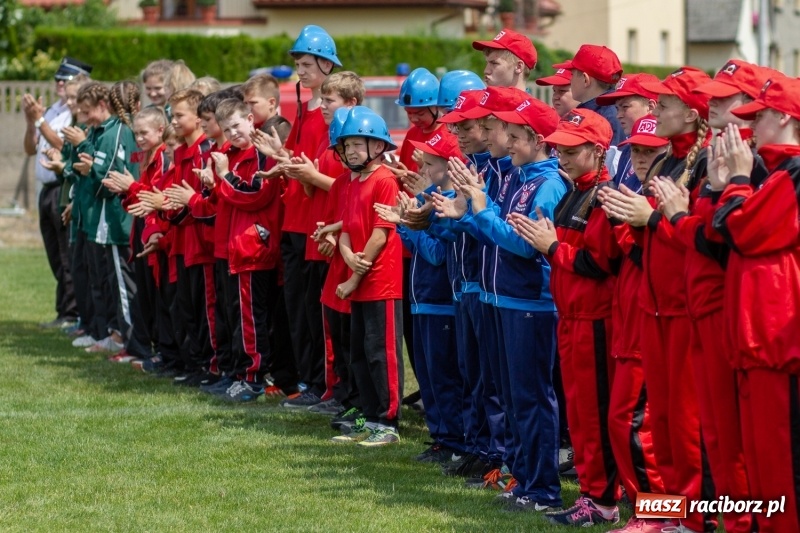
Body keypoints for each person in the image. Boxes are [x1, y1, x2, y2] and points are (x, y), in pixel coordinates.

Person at [599, 66, 716, 533]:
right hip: (654, 307)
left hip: (686, 309)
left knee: (684, 425)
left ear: (690, 115)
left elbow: (700, 237)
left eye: (664, 106)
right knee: (662, 424)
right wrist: (633, 224)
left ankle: (692, 520)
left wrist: (649, 220)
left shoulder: (704, 163)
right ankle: (665, 516)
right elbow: (647, 240)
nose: (656, 111)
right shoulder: (670, 161)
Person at [434, 96, 565, 512]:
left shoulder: (547, 183)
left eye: (514, 134)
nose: (506, 140)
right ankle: (523, 478)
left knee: (530, 399)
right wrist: (466, 213)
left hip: (529, 303)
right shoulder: (518, 176)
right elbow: (494, 230)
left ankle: (543, 489)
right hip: (501, 299)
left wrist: (479, 208)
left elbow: (524, 246)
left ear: (538, 139)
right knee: (511, 398)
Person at [509, 109, 622, 527]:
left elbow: (601, 263)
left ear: (596, 151)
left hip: (595, 319)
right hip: (571, 315)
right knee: (580, 413)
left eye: (572, 150)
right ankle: (595, 494)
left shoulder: (603, 197)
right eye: (559, 148)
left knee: (594, 413)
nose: (562, 156)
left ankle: (602, 499)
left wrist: (553, 248)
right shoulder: (575, 189)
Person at [711, 74, 800, 533]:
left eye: (760, 115)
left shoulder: (793, 173)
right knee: (761, 469)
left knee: (782, 475)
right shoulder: (777, 173)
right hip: (754, 344)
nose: (751, 127)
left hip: (778, 349)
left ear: (785, 116)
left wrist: (736, 180)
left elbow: (740, 229)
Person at [375, 132, 465, 460]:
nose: (422, 170)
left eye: (429, 164)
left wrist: (406, 225)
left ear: (450, 167)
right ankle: (442, 438)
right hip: (424, 299)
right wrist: (407, 222)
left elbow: (438, 255)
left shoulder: (449, 201)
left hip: (441, 301)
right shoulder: (432, 196)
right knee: (428, 378)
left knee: (444, 378)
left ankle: (454, 442)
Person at [282, 71, 365, 412]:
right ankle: (329, 389)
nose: (323, 106)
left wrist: (311, 176)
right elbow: (315, 188)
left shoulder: (354, 142)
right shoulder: (331, 137)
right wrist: (303, 175)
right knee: (323, 323)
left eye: (330, 101)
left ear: (351, 103)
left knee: (340, 329)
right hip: (324, 239)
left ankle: (341, 394)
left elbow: (352, 191)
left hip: (339, 243)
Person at [330, 107, 404, 447]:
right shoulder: (350, 182)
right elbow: (346, 228)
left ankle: (387, 421)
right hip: (357, 278)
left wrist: (355, 275)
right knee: (360, 351)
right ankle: (369, 416)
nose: (351, 152)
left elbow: (381, 233)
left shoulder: (385, 179)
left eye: (359, 144)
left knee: (381, 351)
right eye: (347, 146)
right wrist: (348, 258)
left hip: (381, 281)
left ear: (378, 146)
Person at [280, 25, 340, 407]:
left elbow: (325, 173)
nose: (300, 71)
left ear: (326, 64)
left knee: (319, 313)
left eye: (306, 63)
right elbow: (295, 159)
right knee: (299, 310)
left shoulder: (331, 117)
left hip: (316, 225)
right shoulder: (303, 111)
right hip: (294, 221)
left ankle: (321, 383)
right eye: (298, 64)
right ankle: (309, 380)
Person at [23, 57, 92, 330]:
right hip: (46, 188)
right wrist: (33, 123)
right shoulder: (52, 110)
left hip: (63, 185)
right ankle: (64, 309)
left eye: (67, 79)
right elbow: (31, 148)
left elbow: (63, 145)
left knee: (67, 254)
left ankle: (70, 312)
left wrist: (39, 120)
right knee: (55, 253)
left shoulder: (72, 112)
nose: (60, 84)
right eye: (58, 79)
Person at [73, 81, 140, 355]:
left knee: (123, 285)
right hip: (115, 220)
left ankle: (130, 343)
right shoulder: (118, 131)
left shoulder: (117, 133)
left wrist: (91, 171)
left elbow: (108, 178)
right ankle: (118, 336)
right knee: (115, 283)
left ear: (108, 105)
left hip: (116, 220)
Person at [594, 73, 660, 191]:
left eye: (625, 107)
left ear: (650, 107)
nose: (618, 115)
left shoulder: (664, 148)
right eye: (617, 109)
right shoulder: (626, 148)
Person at [472, 29, 537, 90]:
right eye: (487, 63)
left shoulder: (532, 102)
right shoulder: (479, 100)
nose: (486, 71)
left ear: (519, 67)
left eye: (494, 63)